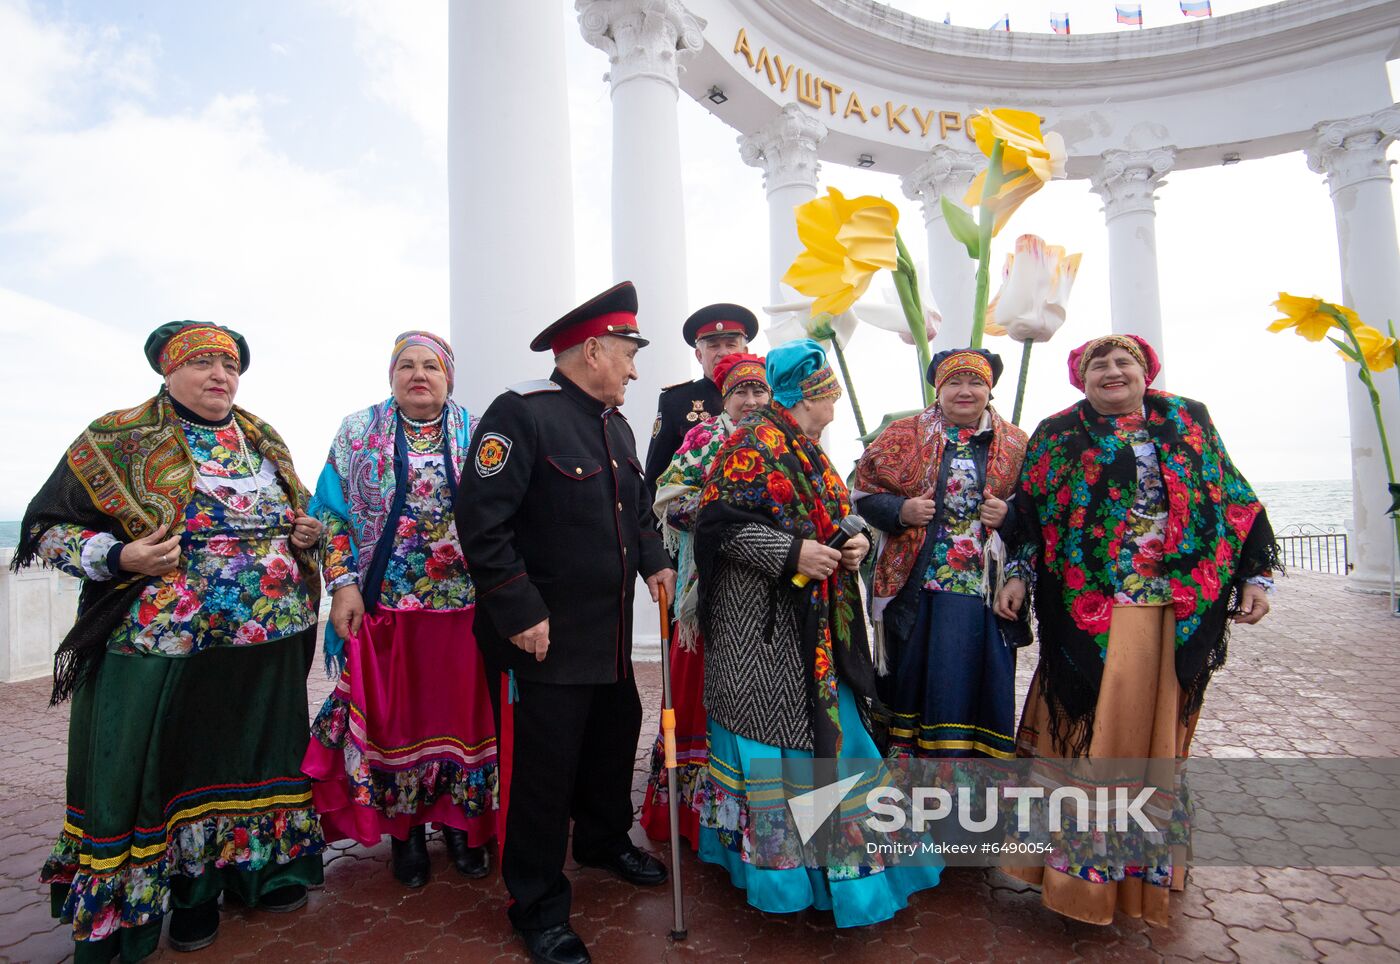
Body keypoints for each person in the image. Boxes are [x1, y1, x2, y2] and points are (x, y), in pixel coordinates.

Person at [14, 322, 326, 961]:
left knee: (252, 762)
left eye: (231, 365)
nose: (221, 375)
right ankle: (184, 896)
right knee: (168, 770)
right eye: (204, 362)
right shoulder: (118, 437)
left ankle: (253, 875)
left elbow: (296, 519)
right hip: (163, 644)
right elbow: (44, 529)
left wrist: (302, 537)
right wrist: (119, 554)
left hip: (266, 641)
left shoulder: (263, 438)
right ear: (167, 369)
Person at [993, 333, 1278, 926]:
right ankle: (1075, 878)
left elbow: (1233, 500)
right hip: (1088, 609)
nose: (1113, 371)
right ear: (1082, 379)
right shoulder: (1059, 432)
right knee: (1088, 734)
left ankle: (1142, 871)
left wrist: (1256, 576)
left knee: (1153, 740)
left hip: (1175, 610)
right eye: (1099, 364)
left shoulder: (1187, 419)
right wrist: (1017, 576)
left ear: (1146, 372)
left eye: (1125, 362)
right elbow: (1031, 513)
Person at [456, 281, 677, 964]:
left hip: (606, 631)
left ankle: (603, 840)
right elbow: (481, 523)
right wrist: (519, 611)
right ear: (591, 351)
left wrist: (656, 562)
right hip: (543, 636)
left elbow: (634, 509)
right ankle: (538, 902)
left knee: (615, 738)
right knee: (544, 774)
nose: (636, 370)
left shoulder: (616, 424)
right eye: (628, 354)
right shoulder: (521, 414)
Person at [691, 338, 942, 927]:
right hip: (762, 633)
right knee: (781, 741)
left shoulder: (805, 448)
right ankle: (787, 882)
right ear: (812, 396)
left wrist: (851, 537)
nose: (833, 404)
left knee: (835, 736)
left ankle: (844, 876)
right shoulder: (751, 446)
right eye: (828, 393)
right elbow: (718, 527)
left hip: (817, 630)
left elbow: (830, 515)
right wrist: (791, 553)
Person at [301, 331, 496, 889]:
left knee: (463, 718)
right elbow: (331, 515)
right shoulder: (357, 432)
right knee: (396, 720)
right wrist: (343, 586)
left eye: (431, 366)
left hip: (466, 608)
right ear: (390, 376)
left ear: (449, 377)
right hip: (386, 607)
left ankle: (462, 825)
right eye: (405, 365)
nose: (418, 374)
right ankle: (405, 831)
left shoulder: (481, 430)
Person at [852, 348, 1029, 759]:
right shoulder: (901, 435)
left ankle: (971, 785)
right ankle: (907, 784)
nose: (964, 391)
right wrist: (901, 510)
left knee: (974, 682)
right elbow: (862, 496)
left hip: (984, 592)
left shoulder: (1017, 444)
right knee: (913, 681)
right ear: (938, 388)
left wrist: (1009, 514)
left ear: (990, 390)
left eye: (975, 382)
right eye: (954, 382)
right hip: (916, 589)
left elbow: (1037, 519)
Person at [640, 352, 770, 849]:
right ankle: (692, 818)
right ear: (725, 397)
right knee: (697, 694)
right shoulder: (703, 438)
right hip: (705, 591)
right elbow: (668, 497)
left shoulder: (785, 440)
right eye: (741, 392)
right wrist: (727, 515)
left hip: (768, 594)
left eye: (760, 390)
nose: (751, 400)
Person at [642, 303, 758, 503]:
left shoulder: (765, 400)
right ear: (699, 355)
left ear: (745, 351)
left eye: (731, 344)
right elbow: (655, 478)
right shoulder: (675, 401)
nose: (722, 353)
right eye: (713, 345)